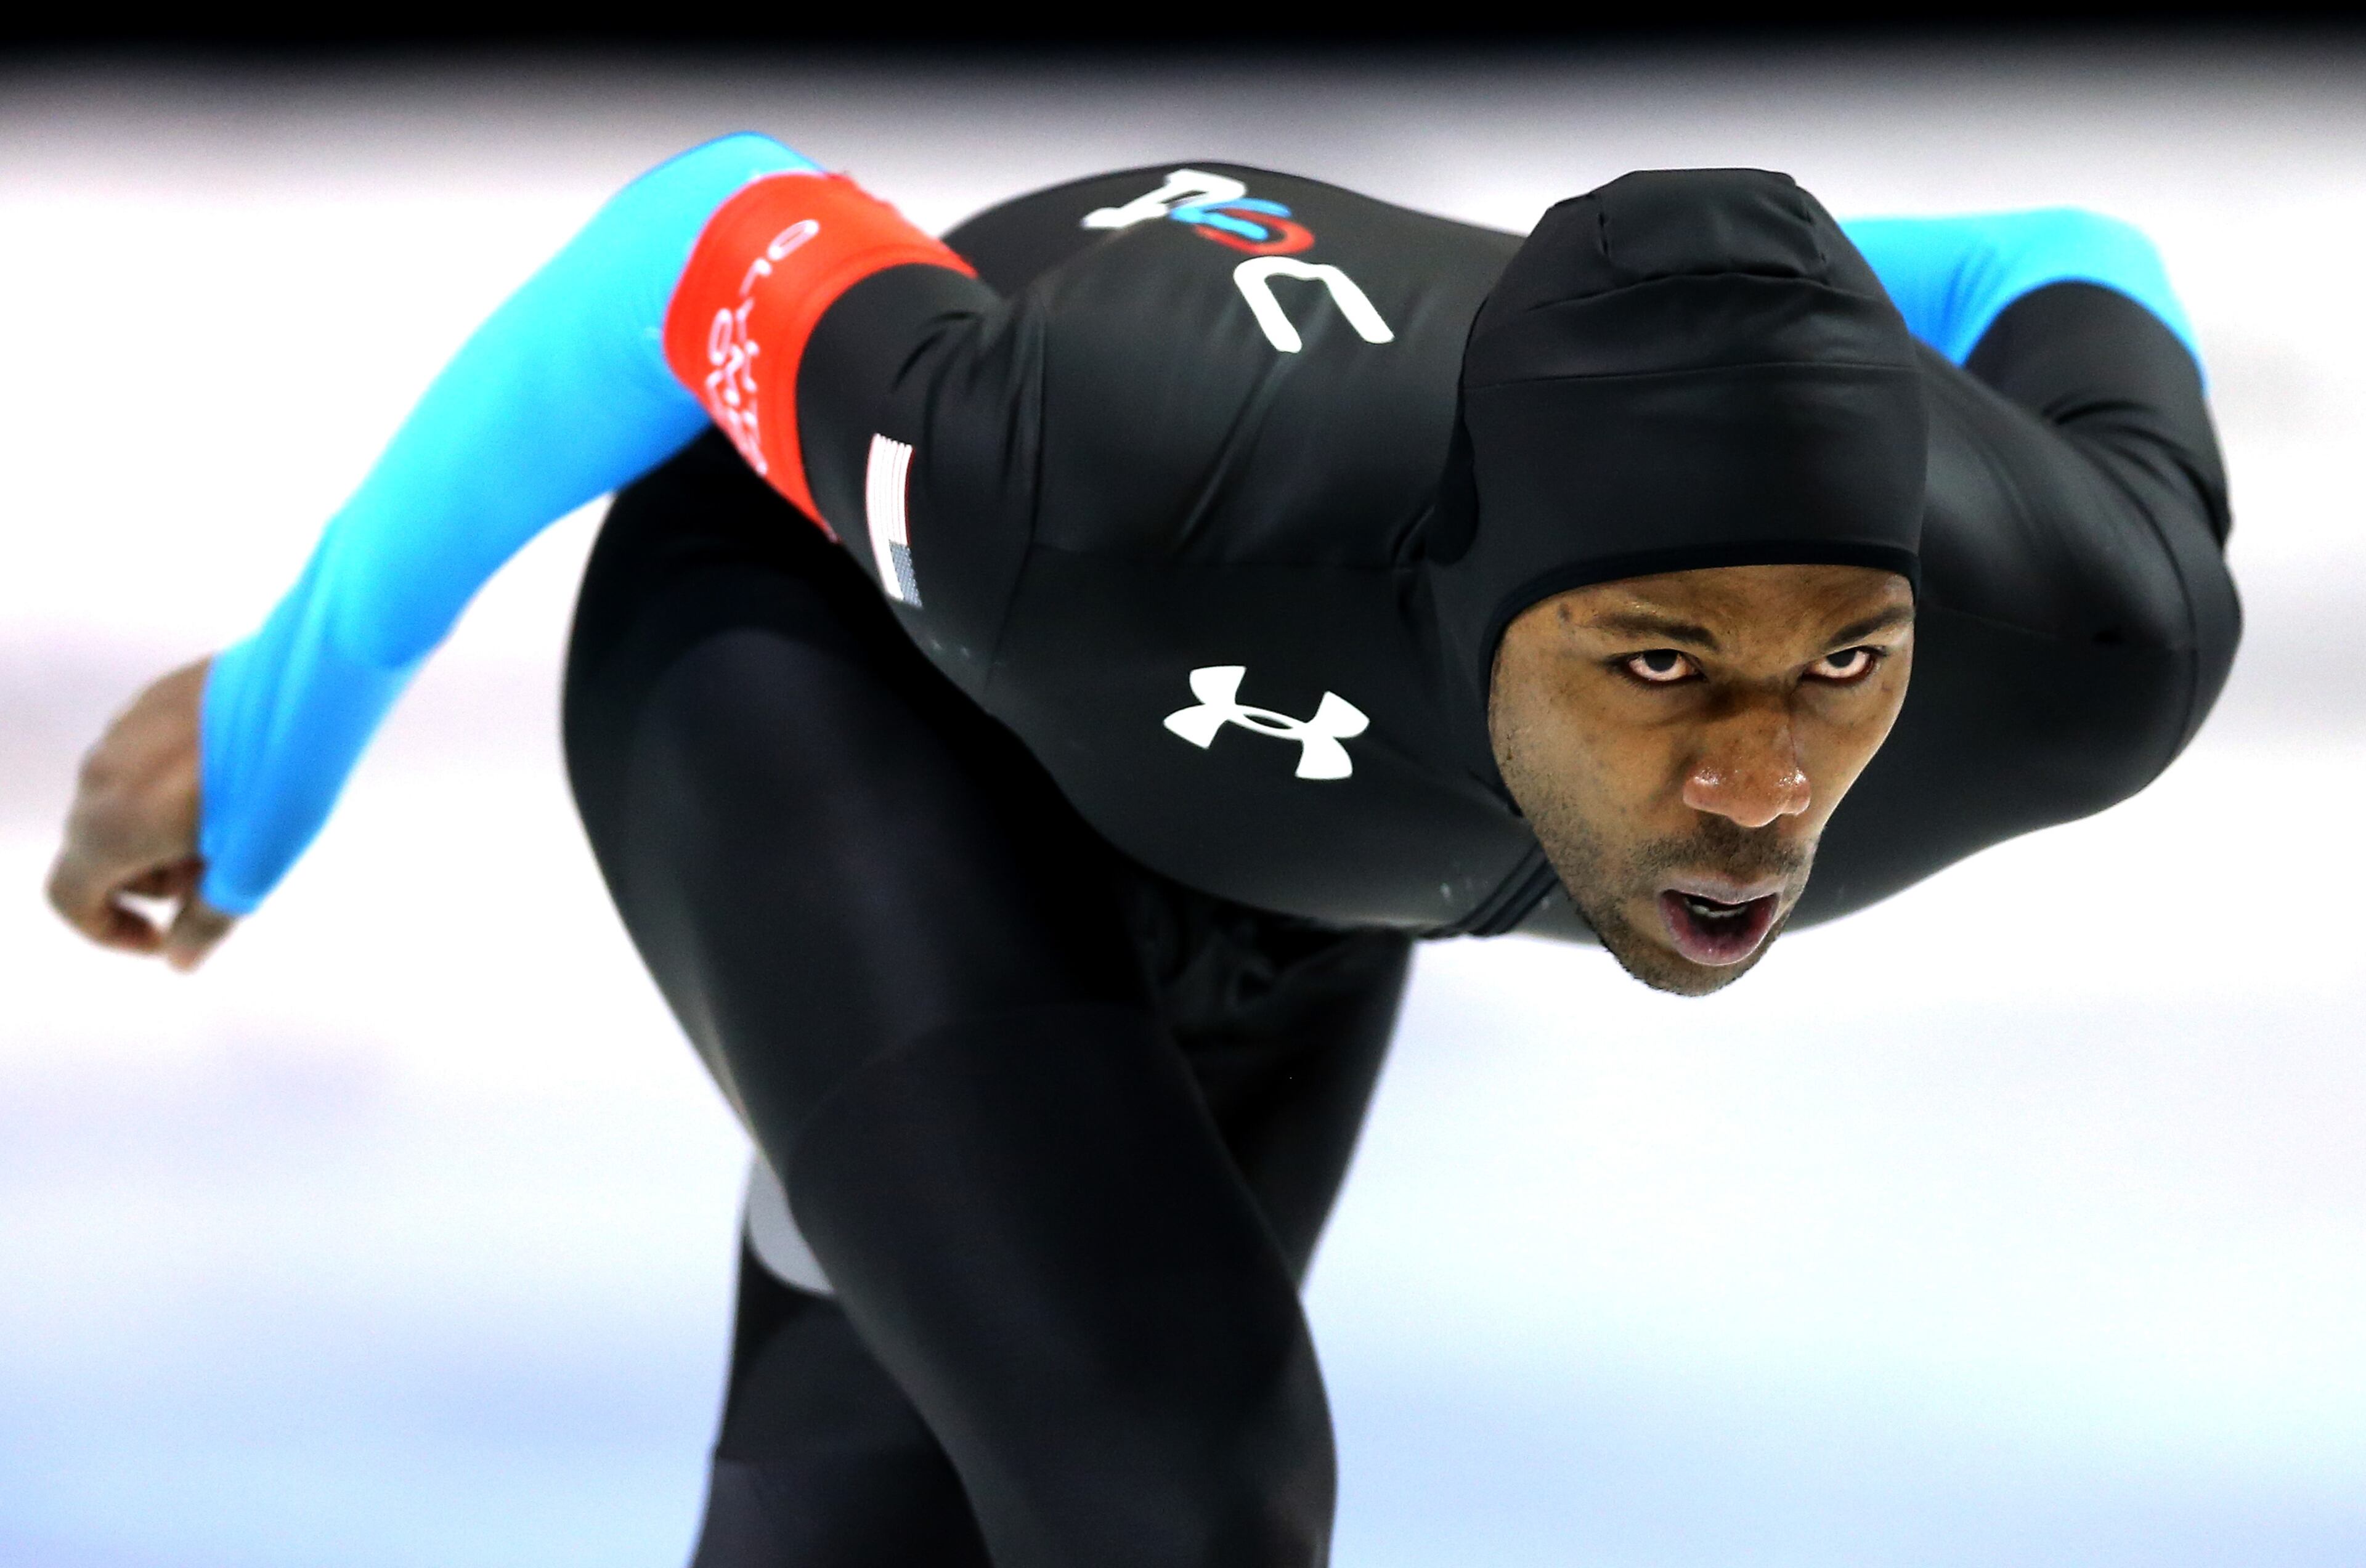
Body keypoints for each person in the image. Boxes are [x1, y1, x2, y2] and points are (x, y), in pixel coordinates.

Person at [47, 136, 2237, 1566]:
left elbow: (2063, 252)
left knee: (957, 1489)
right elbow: (689, 237)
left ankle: (867, 1222)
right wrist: (274, 721)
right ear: (1469, 588)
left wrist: (1727, 316)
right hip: (841, 671)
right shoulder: (1086, 477)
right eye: (1664, 671)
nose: (1764, 786)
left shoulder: (2085, 630)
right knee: (1175, 1495)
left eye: (1840, 668)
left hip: (1282, 838)